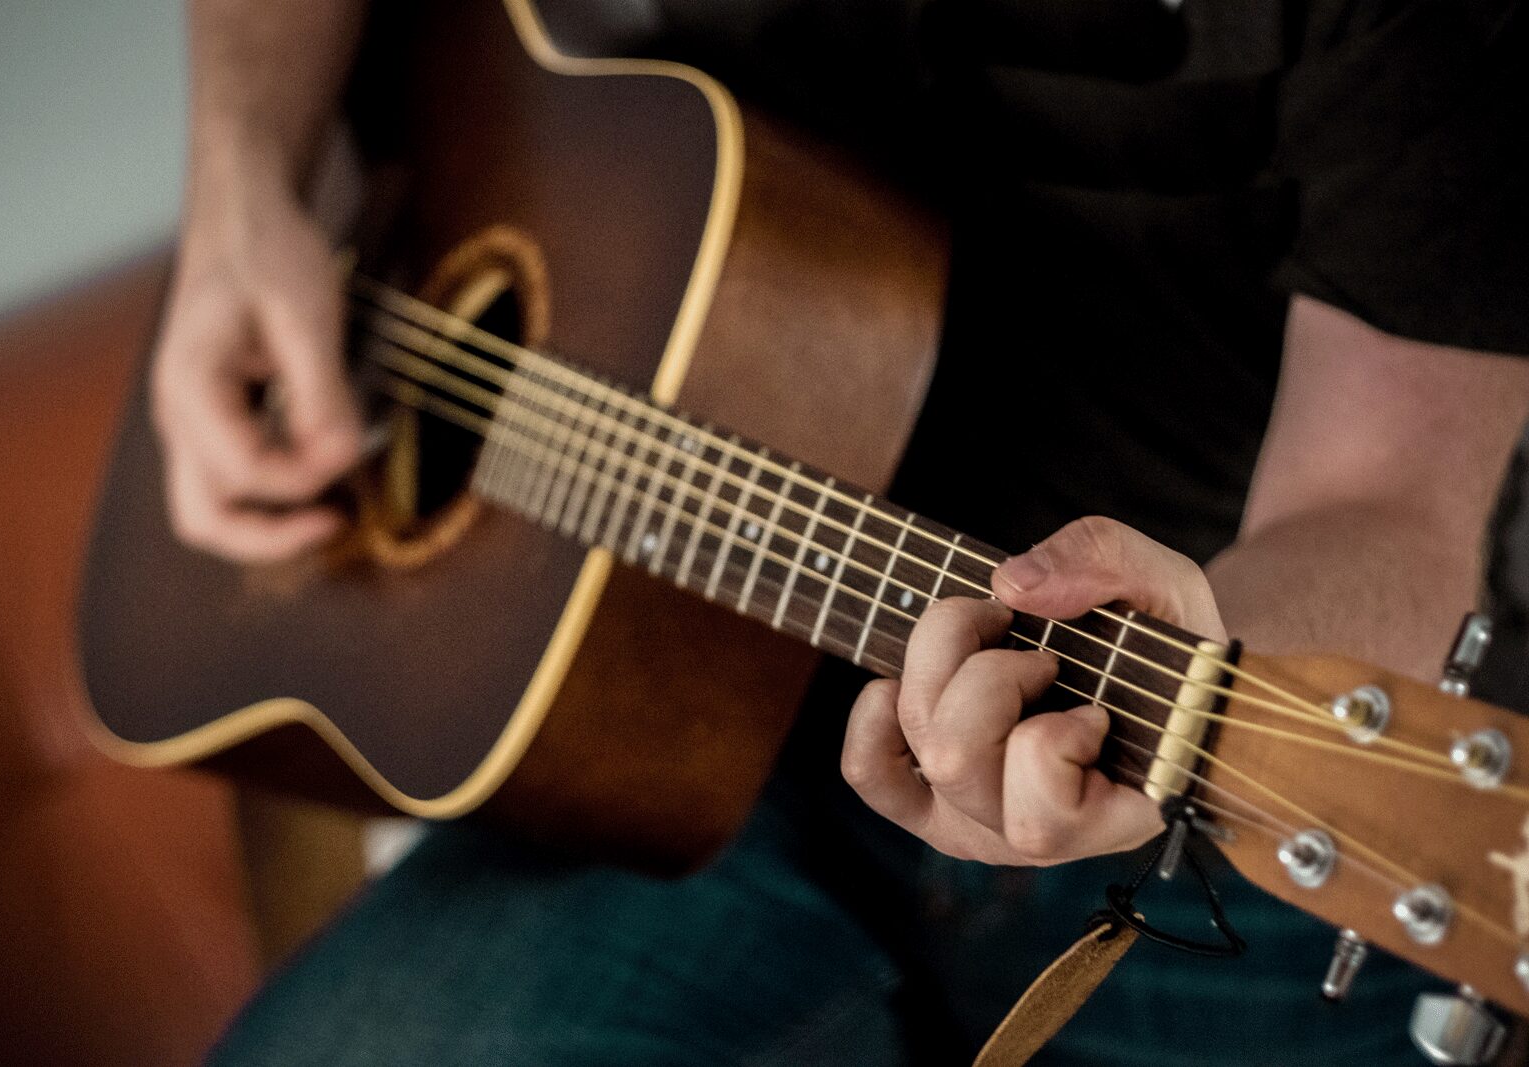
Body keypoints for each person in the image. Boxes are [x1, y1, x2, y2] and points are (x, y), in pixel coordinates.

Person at [153, 0, 1529, 1062]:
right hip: (675, 719)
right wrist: (241, 184)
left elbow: (1401, 492)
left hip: (1207, 816)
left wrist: (1204, 664)